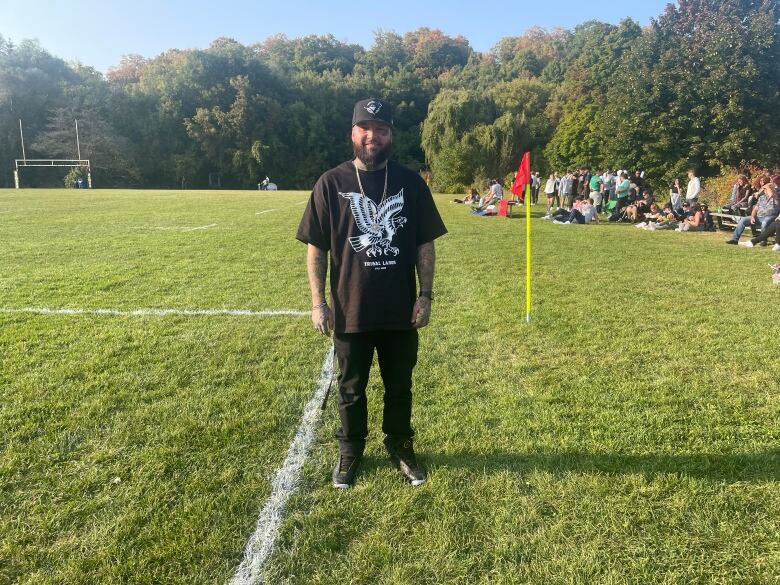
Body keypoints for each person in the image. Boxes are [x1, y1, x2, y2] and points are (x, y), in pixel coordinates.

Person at [296, 98, 448, 489]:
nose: (372, 136)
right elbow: (317, 248)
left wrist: (426, 294)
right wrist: (318, 303)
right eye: (366, 128)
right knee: (351, 388)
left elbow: (424, 245)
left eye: (381, 129)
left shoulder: (410, 183)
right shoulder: (332, 184)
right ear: (353, 133)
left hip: (400, 311)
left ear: (390, 136)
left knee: (400, 386)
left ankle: (400, 445)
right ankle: (350, 450)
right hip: (351, 309)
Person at [726, 175, 780, 245]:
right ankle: (734, 239)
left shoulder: (776, 196)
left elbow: (771, 194)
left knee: (764, 223)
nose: (764, 190)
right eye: (764, 189)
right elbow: (755, 209)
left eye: (766, 189)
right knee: (743, 220)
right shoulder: (762, 197)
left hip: (770, 217)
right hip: (759, 217)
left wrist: (766, 187)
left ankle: (763, 241)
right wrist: (752, 216)